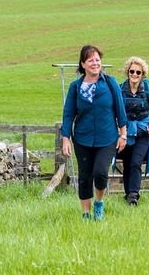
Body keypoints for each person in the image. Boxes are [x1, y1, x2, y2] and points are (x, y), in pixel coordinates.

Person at [61, 45, 127, 221]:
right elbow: (68, 114)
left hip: (107, 138)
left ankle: (99, 202)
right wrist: (65, 138)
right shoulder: (75, 87)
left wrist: (123, 134)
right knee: (84, 177)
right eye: (90, 60)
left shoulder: (110, 83)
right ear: (83, 64)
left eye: (97, 60)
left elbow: (120, 110)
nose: (95, 63)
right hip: (82, 138)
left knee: (100, 173)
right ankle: (85, 214)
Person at [118, 56, 149, 206]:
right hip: (126, 132)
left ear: (143, 74)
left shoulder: (148, 89)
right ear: (127, 72)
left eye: (138, 72)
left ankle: (134, 195)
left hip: (142, 132)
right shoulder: (120, 89)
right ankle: (128, 193)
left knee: (136, 162)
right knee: (127, 163)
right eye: (132, 71)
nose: (134, 75)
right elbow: (116, 112)